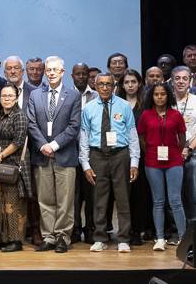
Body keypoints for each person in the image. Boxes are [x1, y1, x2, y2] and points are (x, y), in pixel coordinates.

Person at [79, 73, 138, 253]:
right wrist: (86, 164)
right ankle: (100, 238)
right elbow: (84, 138)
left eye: (108, 84)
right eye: (101, 84)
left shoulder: (124, 106)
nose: (105, 87)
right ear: (95, 86)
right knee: (99, 199)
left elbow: (132, 135)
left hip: (120, 155)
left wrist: (134, 161)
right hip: (97, 155)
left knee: (123, 199)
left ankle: (123, 239)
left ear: (114, 86)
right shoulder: (88, 108)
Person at [27, 55, 81, 253]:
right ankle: (48, 237)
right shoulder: (35, 95)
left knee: (65, 200)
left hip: (64, 155)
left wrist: (55, 145)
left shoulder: (73, 96)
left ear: (62, 72)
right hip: (42, 156)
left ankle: (63, 237)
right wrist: (43, 145)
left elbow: (74, 126)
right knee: (45, 199)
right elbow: (31, 123)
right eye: (48, 70)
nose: (51, 73)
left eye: (55, 70)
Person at [138, 82, 186, 250]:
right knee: (158, 201)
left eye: (163, 94)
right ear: (151, 96)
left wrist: (175, 153)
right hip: (152, 162)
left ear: (168, 96)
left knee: (175, 201)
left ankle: (182, 237)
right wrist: (151, 151)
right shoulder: (145, 115)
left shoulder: (176, 115)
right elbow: (142, 139)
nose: (159, 97)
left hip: (174, 161)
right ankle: (159, 238)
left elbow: (182, 138)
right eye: (156, 94)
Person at [0, 83, 29, 252]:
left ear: (16, 97)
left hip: (12, 164)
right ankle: (4, 238)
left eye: (10, 96)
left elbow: (19, 141)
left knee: (13, 205)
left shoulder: (19, 116)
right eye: (3, 96)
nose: (6, 99)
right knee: (0, 202)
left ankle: (16, 241)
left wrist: (1, 155)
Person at [170, 66, 196, 221]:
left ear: (190, 81)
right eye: (177, 78)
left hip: (194, 154)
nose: (181, 81)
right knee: (174, 194)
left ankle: (194, 230)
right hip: (171, 155)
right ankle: (177, 231)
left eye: (184, 78)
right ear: (172, 81)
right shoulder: (167, 101)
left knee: (194, 194)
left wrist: (188, 148)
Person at [120, 69, 153, 244]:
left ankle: (144, 228)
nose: (130, 85)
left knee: (143, 193)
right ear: (122, 85)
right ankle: (130, 229)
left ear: (139, 83)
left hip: (144, 154)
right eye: (127, 82)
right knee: (127, 194)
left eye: (133, 81)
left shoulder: (146, 104)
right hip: (122, 155)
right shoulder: (117, 103)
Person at [71, 62, 98, 244]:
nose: (81, 77)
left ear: (89, 76)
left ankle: (90, 230)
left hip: (91, 152)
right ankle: (74, 230)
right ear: (72, 76)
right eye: (77, 74)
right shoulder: (66, 94)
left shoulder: (96, 96)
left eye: (84, 74)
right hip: (71, 150)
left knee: (91, 195)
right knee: (73, 195)